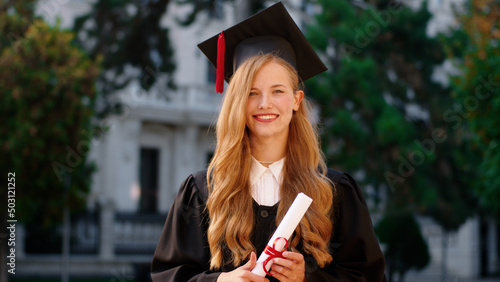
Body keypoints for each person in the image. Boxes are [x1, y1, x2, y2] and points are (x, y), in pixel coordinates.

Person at [151, 2, 386, 281]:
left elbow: (368, 277)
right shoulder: (202, 193)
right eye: (252, 92)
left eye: (277, 91)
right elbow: (168, 276)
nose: (265, 104)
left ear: (296, 100)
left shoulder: (335, 194)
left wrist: (307, 279)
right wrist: (220, 281)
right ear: (237, 101)